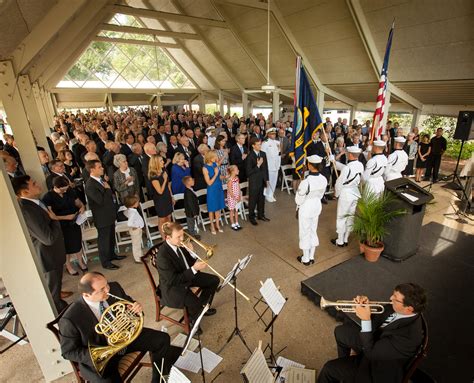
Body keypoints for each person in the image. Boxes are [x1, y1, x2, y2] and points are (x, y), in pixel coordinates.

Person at [58, 272, 181, 383]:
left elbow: (132, 310)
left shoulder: (114, 288)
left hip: (125, 338)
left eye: (106, 285)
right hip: (102, 352)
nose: (108, 290)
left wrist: (136, 311)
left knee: (162, 339)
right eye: (101, 289)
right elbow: (68, 352)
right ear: (86, 294)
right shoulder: (70, 319)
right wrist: (100, 355)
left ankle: (158, 380)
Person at [318, 283, 427, 383]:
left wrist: (365, 320)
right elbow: (377, 321)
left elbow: (371, 353)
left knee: (329, 369)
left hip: (377, 368)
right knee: (340, 332)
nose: (390, 298)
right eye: (393, 295)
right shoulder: (398, 308)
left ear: (409, 309)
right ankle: (345, 363)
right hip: (376, 340)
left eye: (395, 298)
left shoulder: (408, 337)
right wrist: (366, 306)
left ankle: (344, 371)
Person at [12, 175, 68, 311]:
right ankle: (59, 315)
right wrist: (55, 220)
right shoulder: (27, 210)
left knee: (56, 286)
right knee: (52, 292)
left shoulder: (35, 202)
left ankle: (59, 304)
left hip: (54, 254)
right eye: (33, 184)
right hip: (48, 256)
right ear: (25, 192)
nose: (38, 184)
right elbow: (47, 238)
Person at [154, 223, 220, 328]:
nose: (182, 239)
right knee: (195, 303)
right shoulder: (162, 256)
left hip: (186, 275)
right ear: (168, 237)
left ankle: (201, 309)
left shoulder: (179, 244)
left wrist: (191, 252)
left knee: (214, 280)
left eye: (182, 235)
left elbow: (188, 262)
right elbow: (173, 280)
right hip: (173, 287)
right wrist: (194, 269)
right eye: (178, 237)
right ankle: (191, 321)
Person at [43, 176, 88, 276]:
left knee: (77, 242)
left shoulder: (70, 191)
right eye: (63, 189)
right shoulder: (48, 197)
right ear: (56, 187)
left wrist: (82, 207)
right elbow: (51, 215)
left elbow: (78, 202)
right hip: (60, 224)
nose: (65, 190)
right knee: (66, 247)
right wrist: (66, 217)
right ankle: (69, 266)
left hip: (74, 221)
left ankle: (80, 262)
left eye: (66, 188)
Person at [85, 160, 124, 270]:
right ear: (92, 170)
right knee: (104, 240)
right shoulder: (90, 185)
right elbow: (99, 200)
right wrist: (107, 189)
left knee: (111, 237)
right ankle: (106, 262)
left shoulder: (101, 180)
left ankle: (112, 254)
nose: (102, 168)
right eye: (99, 167)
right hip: (102, 216)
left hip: (109, 214)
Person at [295, 155, 327, 266]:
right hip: (316, 206)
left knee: (304, 232)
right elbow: (321, 194)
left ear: (309, 165)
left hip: (306, 207)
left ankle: (305, 258)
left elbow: (298, 200)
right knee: (313, 230)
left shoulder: (306, 182)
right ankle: (312, 256)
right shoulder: (324, 179)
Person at [332, 147, 364, 247]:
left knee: (341, 216)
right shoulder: (360, 165)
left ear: (350, 155)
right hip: (355, 193)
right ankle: (346, 239)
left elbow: (339, 183)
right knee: (350, 216)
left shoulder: (347, 168)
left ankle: (340, 241)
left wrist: (336, 194)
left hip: (346, 194)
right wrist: (334, 162)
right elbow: (348, 169)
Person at [149, 154, 173, 240]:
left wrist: (171, 196)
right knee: (162, 219)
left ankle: (169, 236)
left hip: (167, 196)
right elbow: (160, 191)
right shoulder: (153, 176)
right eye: (161, 161)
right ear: (156, 163)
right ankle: (164, 239)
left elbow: (168, 186)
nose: (163, 162)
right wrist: (165, 179)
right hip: (160, 200)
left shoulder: (164, 171)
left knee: (169, 217)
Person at [246, 137, 270, 226]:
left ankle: (261, 215)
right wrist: (258, 165)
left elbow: (265, 168)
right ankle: (251, 217)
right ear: (253, 146)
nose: (260, 146)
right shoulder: (250, 156)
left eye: (260, 144)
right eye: (258, 144)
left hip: (262, 180)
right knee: (253, 200)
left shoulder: (263, 154)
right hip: (254, 181)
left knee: (261, 199)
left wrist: (266, 179)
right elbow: (248, 172)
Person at [203, 150, 226, 234]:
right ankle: (212, 225)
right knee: (212, 209)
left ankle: (217, 224)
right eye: (214, 157)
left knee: (218, 208)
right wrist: (216, 174)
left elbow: (219, 177)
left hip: (219, 188)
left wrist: (225, 176)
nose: (216, 158)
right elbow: (208, 182)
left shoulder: (215, 164)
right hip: (212, 190)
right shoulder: (205, 168)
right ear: (210, 157)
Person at [261, 128, 281, 203]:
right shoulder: (265, 143)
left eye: (274, 134)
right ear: (268, 134)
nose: (274, 135)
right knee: (268, 181)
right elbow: (263, 155)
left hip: (276, 165)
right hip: (269, 165)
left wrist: (278, 164)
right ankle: (267, 194)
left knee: (274, 181)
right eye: (272, 134)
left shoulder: (277, 142)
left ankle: (271, 194)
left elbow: (279, 154)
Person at [123, 195, 144, 264]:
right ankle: (138, 259)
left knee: (138, 243)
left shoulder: (130, 210)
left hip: (136, 230)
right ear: (133, 204)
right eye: (137, 202)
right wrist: (137, 225)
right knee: (136, 244)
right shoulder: (133, 212)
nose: (138, 203)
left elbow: (125, 213)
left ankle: (140, 256)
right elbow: (129, 223)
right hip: (136, 230)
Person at [226, 165, 242, 231]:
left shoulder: (237, 178)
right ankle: (232, 223)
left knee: (236, 210)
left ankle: (236, 222)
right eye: (237, 169)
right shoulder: (230, 180)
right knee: (232, 210)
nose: (238, 170)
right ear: (232, 171)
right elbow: (229, 190)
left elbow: (238, 187)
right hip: (232, 197)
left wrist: (239, 195)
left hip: (237, 196)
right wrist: (235, 198)